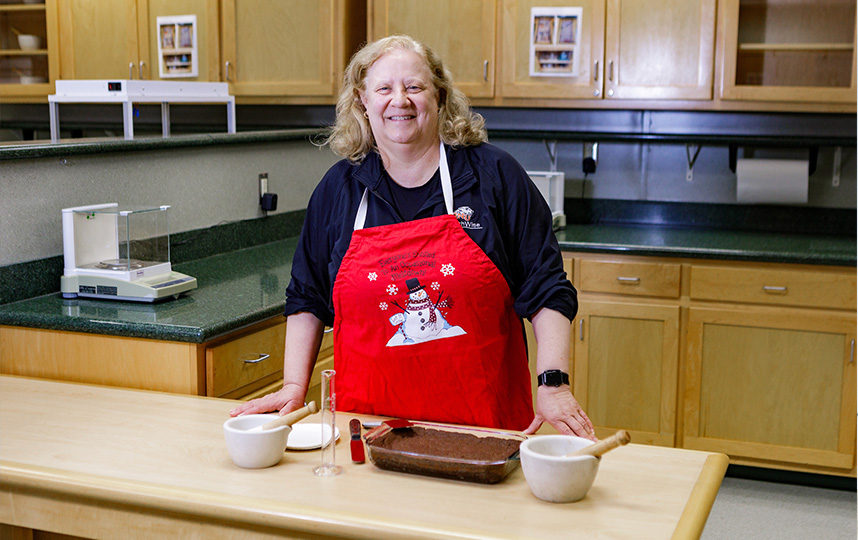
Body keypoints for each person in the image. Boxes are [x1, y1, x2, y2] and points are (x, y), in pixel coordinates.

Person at [230, 35, 595, 440]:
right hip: (367, 431)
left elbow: (546, 287)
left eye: (414, 87)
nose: (399, 100)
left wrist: (554, 383)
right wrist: (294, 388)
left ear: (439, 96)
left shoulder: (493, 176)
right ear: (362, 102)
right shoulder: (339, 189)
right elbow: (307, 296)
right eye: (384, 88)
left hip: (482, 430)